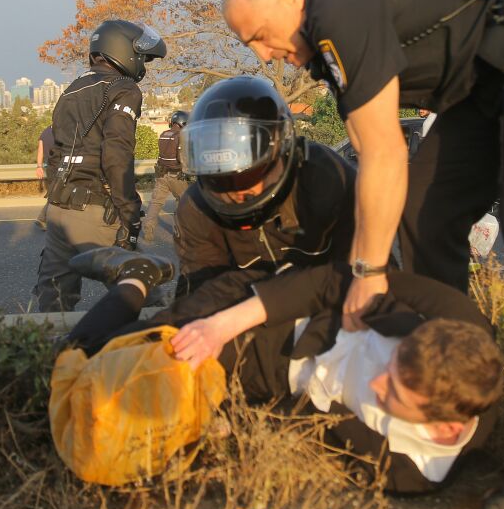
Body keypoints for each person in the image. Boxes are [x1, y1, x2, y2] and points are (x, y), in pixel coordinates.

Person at [221, 0, 504, 509]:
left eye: (259, 34)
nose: (264, 53)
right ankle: (443, 382)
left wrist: (367, 272)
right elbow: (367, 143)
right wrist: (369, 261)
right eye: (251, 45)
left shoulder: (337, 5)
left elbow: (385, 154)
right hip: (488, 85)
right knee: (427, 214)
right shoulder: (332, 29)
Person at [61, 247, 503, 493]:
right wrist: (219, 327)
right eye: (392, 365)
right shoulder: (452, 318)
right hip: (260, 317)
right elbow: (332, 280)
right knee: (87, 357)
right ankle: (135, 276)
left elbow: (314, 432)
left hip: (274, 383)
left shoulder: (414, 472)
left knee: (128, 422)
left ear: (445, 428)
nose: (375, 382)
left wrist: (232, 422)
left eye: (395, 395)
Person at [171, 75, 358, 296]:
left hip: (332, 310)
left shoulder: (325, 178)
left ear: (283, 151)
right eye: (219, 180)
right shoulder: (196, 208)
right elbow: (200, 292)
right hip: (245, 319)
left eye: (249, 174)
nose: (237, 192)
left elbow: (367, 274)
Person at [32, 19, 166, 312]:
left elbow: (56, 152)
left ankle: (55, 355)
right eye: (142, 57)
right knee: (148, 299)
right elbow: (116, 155)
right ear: (123, 51)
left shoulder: (72, 89)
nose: (143, 63)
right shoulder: (123, 89)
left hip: (58, 209)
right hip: (93, 211)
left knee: (54, 304)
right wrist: (129, 212)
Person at [141, 110, 190, 243]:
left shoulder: (163, 134)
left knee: (156, 202)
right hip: (176, 175)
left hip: (161, 175)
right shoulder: (181, 136)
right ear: (182, 123)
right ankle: (179, 232)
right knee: (182, 201)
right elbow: (182, 158)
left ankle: (148, 230)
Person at [34, 124, 55, 229]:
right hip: (57, 167)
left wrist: (39, 166)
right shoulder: (60, 132)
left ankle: (45, 219)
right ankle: (42, 218)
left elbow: (40, 151)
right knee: (55, 193)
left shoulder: (44, 132)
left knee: (54, 193)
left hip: (48, 167)